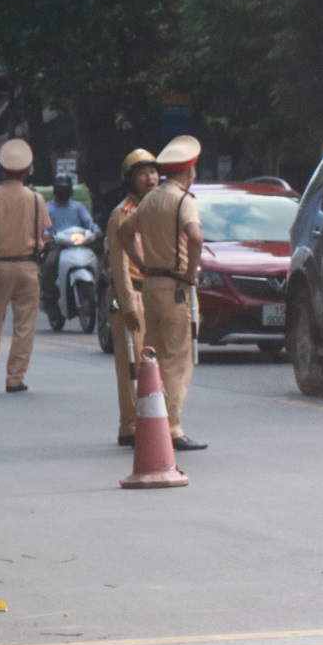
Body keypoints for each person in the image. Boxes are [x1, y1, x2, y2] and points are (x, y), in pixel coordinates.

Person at [119, 135, 206, 449]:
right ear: (190, 170)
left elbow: (124, 232)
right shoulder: (183, 200)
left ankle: (149, 424)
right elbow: (195, 236)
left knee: (153, 357)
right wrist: (190, 271)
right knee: (176, 360)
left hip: (151, 286)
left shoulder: (151, 199)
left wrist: (143, 262)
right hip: (175, 288)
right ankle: (171, 428)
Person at [0, 138, 48, 392]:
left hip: (0, 267)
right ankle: (15, 378)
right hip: (28, 267)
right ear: (27, 170)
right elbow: (44, 231)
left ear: (3, 168)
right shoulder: (36, 198)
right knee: (24, 325)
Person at [106, 149, 157, 445]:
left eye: (152, 172)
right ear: (130, 180)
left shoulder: (154, 210)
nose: (150, 179)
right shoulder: (121, 215)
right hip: (131, 295)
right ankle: (130, 426)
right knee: (131, 365)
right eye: (142, 174)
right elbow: (120, 265)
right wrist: (127, 306)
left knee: (152, 364)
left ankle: (152, 423)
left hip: (152, 293)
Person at [40, 172, 97, 318]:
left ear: (70, 191)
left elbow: (89, 223)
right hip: (57, 245)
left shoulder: (78, 207)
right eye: (60, 189)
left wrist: (96, 231)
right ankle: (48, 298)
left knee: (98, 261)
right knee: (50, 264)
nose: (63, 192)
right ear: (55, 191)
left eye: (66, 189)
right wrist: (46, 236)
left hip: (78, 243)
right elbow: (45, 228)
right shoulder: (48, 208)